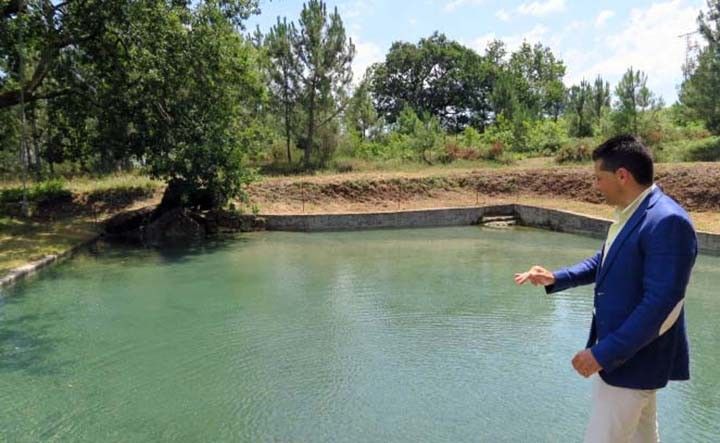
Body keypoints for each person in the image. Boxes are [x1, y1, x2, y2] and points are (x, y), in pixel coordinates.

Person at [514, 134, 697, 443]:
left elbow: (660, 303)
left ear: (622, 176)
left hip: (632, 362)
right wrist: (558, 277)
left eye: (599, 178)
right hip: (631, 360)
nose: (596, 186)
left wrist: (602, 353)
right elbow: (608, 259)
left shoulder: (667, 222)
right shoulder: (636, 212)